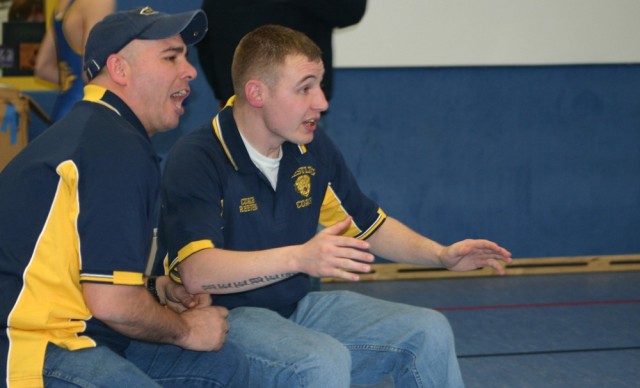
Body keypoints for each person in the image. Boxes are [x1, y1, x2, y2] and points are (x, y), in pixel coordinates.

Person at [157, 24, 513, 387]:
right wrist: (299, 258)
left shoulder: (312, 149)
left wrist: (441, 255)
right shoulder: (198, 157)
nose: (322, 103)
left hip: (297, 308)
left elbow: (368, 226)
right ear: (257, 93)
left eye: (320, 86)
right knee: (320, 361)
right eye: (305, 88)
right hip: (225, 318)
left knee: (429, 331)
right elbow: (197, 272)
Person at [0, 7, 248, 387]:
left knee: (222, 366)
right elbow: (112, 303)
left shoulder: (102, 131)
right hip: (36, 348)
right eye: (170, 57)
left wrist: (156, 288)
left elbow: (86, 271)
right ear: (119, 70)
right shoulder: (111, 145)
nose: (190, 70)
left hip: (79, 334)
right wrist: (185, 329)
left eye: (185, 55)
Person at [196, 0, 367, 106]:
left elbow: (350, 10)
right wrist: (225, 92)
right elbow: (206, 34)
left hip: (300, 100)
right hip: (246, 101)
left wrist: (224, 92)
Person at [35, 0, 115, 123]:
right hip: (85, 118)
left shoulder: (64, 4)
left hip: (63, 112)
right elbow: (90, 70)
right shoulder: (98, 3)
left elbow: (42, 68)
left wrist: (74, 85)